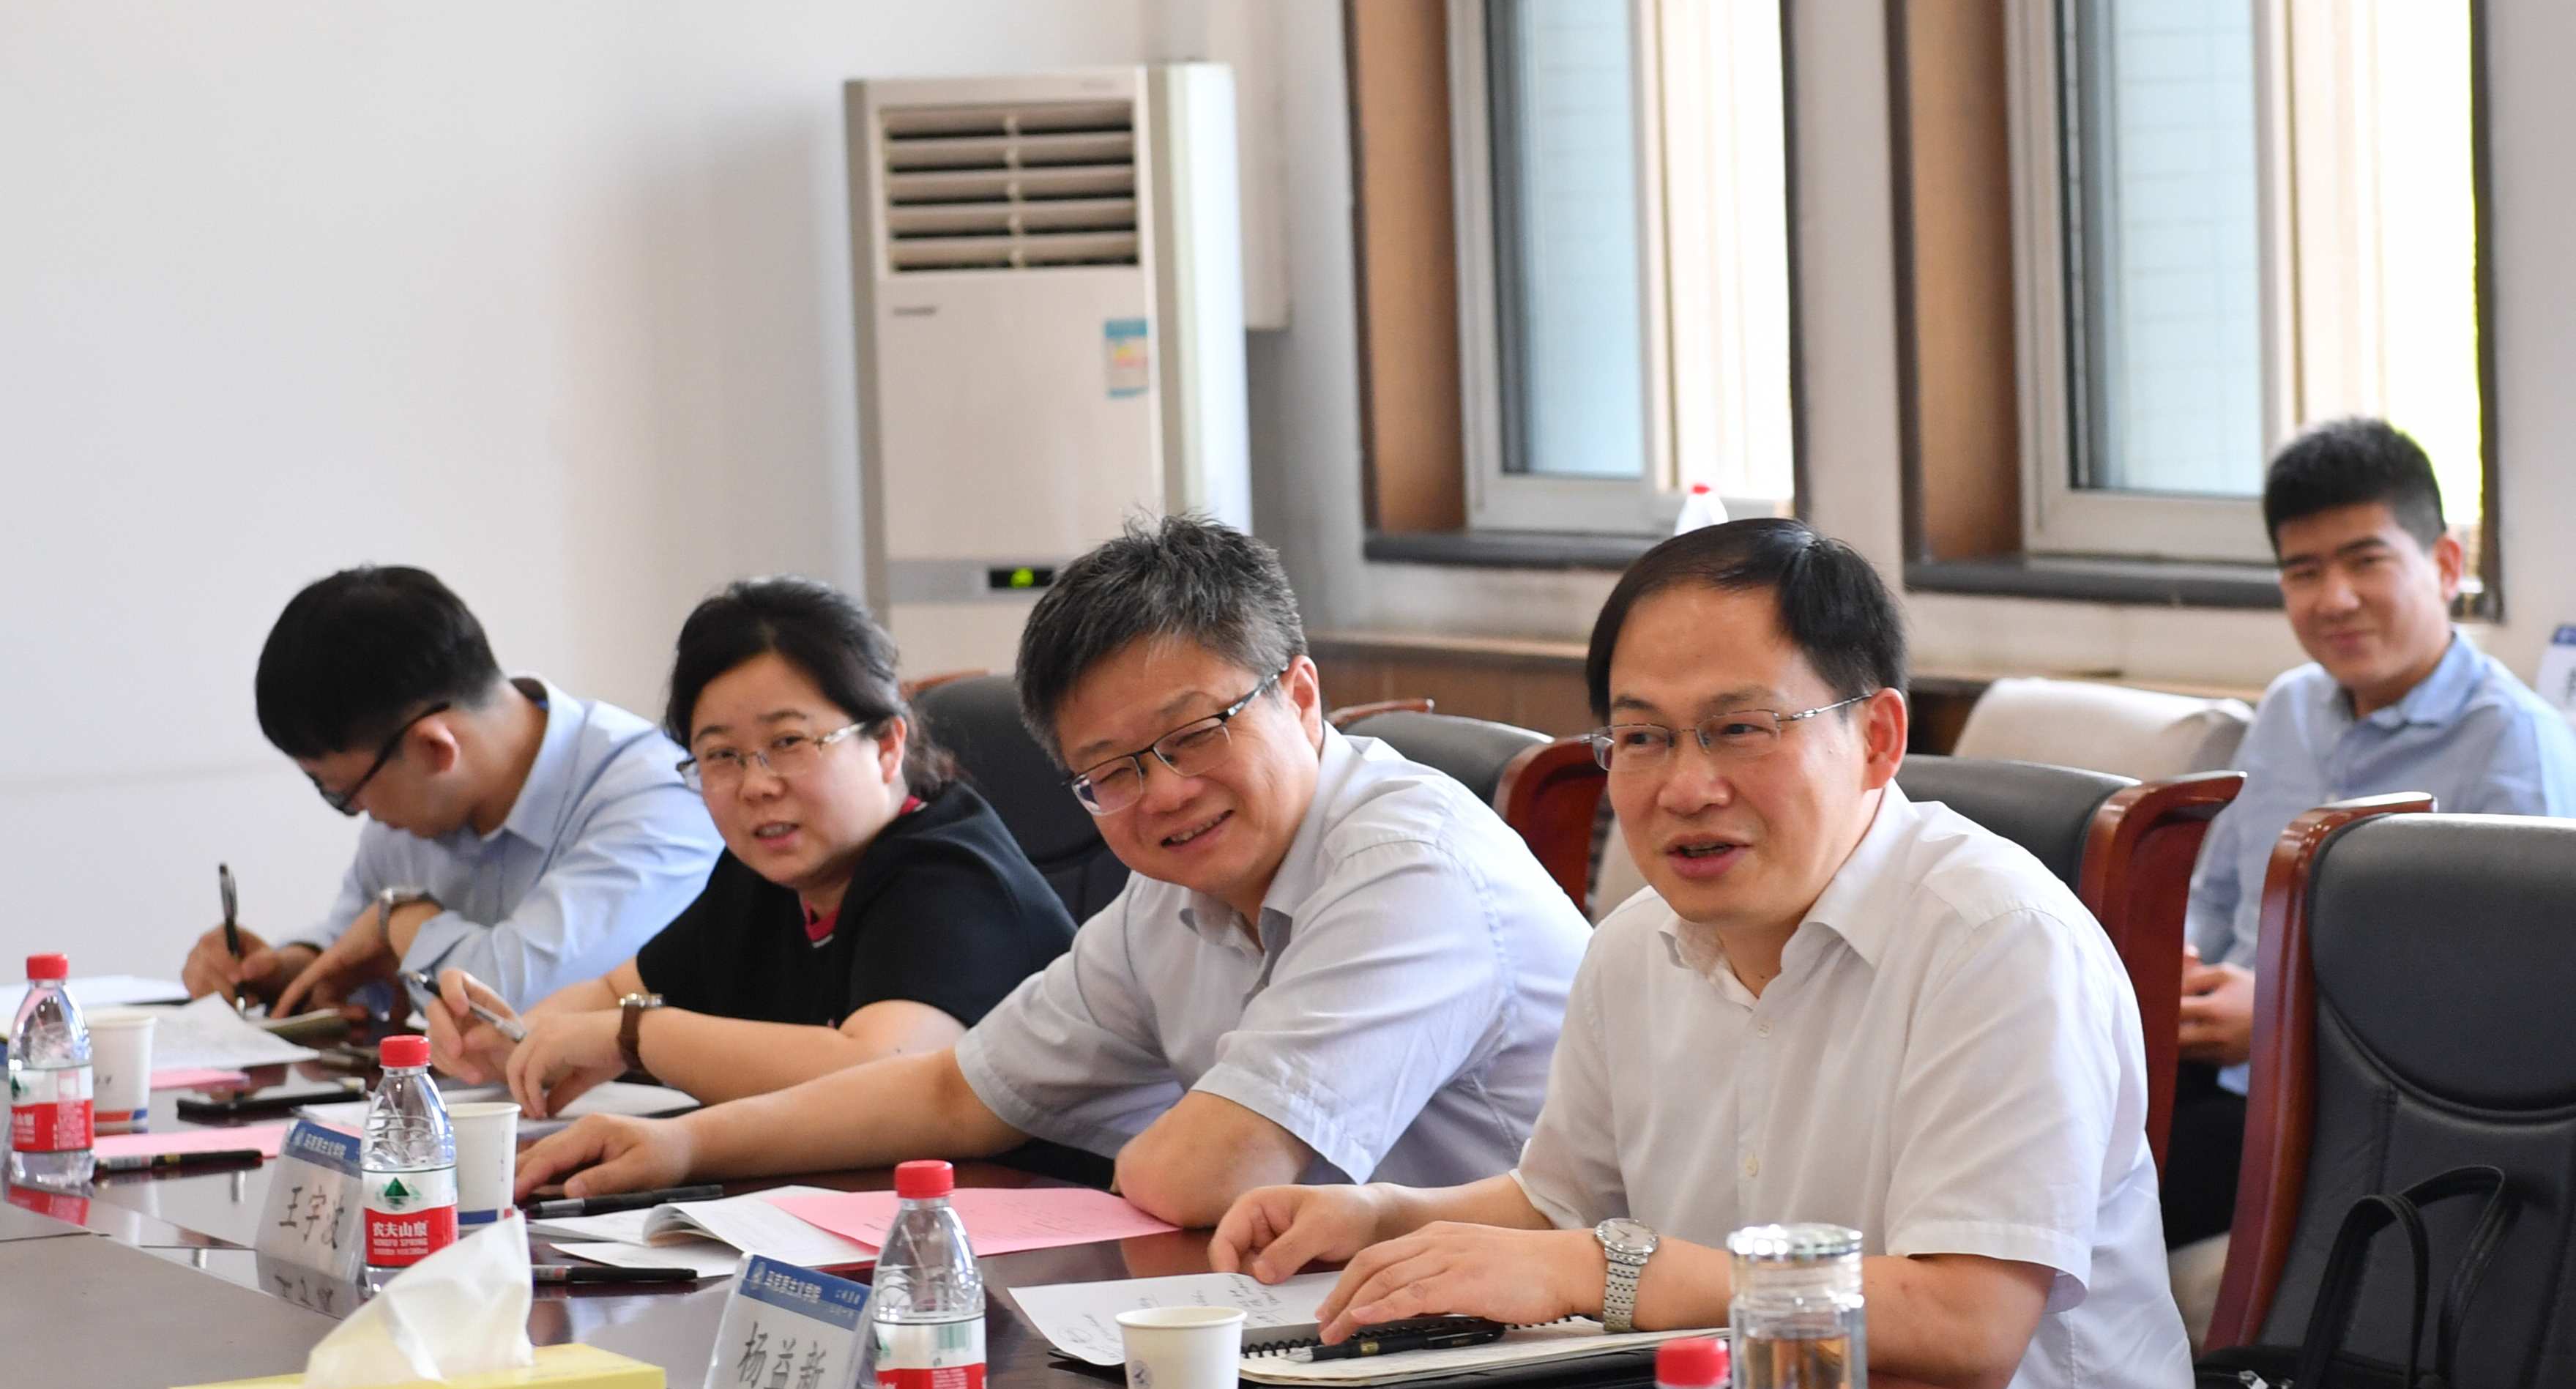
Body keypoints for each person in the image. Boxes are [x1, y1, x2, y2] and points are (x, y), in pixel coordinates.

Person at [1210, 519, 2195, 1389]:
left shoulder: (1998, 940)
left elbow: (1964, 1326)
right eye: (1642, 737)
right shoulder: (1633, 944)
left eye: (1740, 728)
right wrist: (1384, 1217)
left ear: (1877, 739)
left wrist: (1601, 1271)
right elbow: (1561, 1206)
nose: (1685, 788)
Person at [514, 513, 1592, 1224]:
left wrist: (1146, 1149)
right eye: (1110, 769)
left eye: (1195, 732)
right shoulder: (1172, 892)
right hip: (1343, 1317)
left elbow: (1203, 1173)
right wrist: (680, 1147)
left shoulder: (1405, 867)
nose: (1162, 792)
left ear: (1301, 697)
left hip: (1543, 1355)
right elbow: (959, 1089)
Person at [425, 578, 1076, 1115]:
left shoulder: (951, 874)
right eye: (720, 755)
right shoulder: (763, 876)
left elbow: (880, 1071)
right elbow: (612, 993)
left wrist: (636, 1037)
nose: (756, 785)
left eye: (788, 742)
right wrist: (507, 1038)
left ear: (886, 745)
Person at [2168, 419, 2576, 1250]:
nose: (2333, 599)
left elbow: (2510, 1007)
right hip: (2214, 1072)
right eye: (2303, 571)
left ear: (2446, 565)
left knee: (2082, 1201)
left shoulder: (2514, 747)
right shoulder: (2287, 706)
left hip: (2362, 1113)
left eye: (2365, 561)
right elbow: (2212, 897)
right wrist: (2169, 968)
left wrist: (2285, 1018)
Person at [178, 566, 721, 1014]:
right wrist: (284, 969)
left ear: (436, 749)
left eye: (343, 793)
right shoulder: (409, 805)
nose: (360, 811)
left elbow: (514, 1004)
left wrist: (401, 922)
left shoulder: (656, 794)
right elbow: (353, 943)